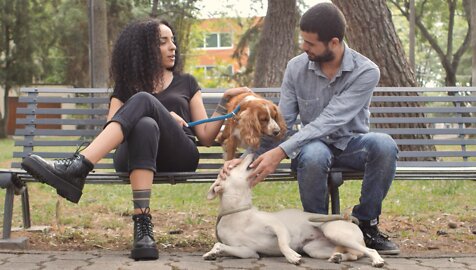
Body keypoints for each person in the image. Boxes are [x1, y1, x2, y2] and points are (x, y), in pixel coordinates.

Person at [21, 19, 250, 261]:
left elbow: (204, 137)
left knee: (144, 101)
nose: (173, 47)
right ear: (145, 49)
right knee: (145, 123)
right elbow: (113, 132)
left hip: (178, 154)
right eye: (163, 42)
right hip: (133, 155)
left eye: (173, 41)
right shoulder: (126, 85)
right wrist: (156, 114)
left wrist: (222, 101)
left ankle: (79, 167)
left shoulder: (187, 82)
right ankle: (142, 228)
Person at [221, 3, 400, 255]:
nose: (304, 47)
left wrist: (281, 152)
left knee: (384, 144)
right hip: (312, 147)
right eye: (302, 40)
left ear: (334, 43)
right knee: (315, 154)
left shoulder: (366, 71)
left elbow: (330, 119)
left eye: (310, 43)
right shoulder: (296, 67)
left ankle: (367, 225)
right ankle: (316, 228)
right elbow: (281, 125)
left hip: (352, 145)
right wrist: (244, 160)